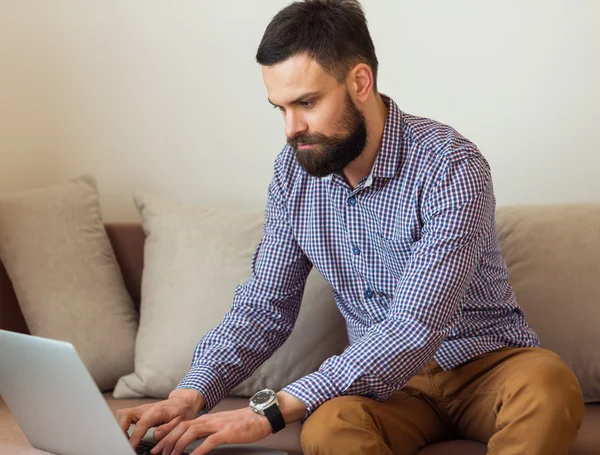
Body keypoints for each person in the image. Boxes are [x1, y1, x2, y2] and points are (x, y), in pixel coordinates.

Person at [116, 1, 585, 454]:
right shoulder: (292, 174)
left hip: (487, 365)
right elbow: (264, 307)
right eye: (279, 108)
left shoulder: (451, 165)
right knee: (328, 428)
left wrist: (271, 411)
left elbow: (414, 327)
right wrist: (190, 394)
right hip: (385, 388)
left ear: (360, 81)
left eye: (306, 103)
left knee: (549, 390)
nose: (290, 128)